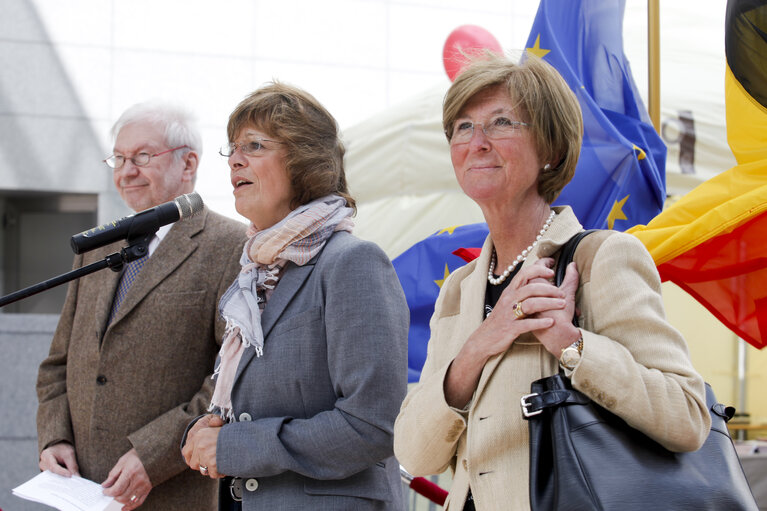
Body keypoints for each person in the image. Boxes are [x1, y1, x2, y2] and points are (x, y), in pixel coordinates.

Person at [393, 53, 711, 510]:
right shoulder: (458, 290)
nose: (476, 142)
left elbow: (687, 417)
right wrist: (478, 347)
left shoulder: (602, 258)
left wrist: (571, 343)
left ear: (551, 150)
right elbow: (415, 453)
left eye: (501, 122)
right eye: (463, 127)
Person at [181, 82, 409, 510]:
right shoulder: (256, 274)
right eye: (231, 149)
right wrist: (207, 432)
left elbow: (374, 425)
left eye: (254, 145)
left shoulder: (352, 262)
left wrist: (235, 446)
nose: (235, 160)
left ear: (305, 159)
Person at [36, 102, 247, 510]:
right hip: (79, 490)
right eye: (119, 158)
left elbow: (232, 383)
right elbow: (58, 363)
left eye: (142, 157)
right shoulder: (97, 247)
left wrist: (153, 455)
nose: (126, 170)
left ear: (188, 163)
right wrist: (54, 437)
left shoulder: (233, 247)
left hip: (171, 492)